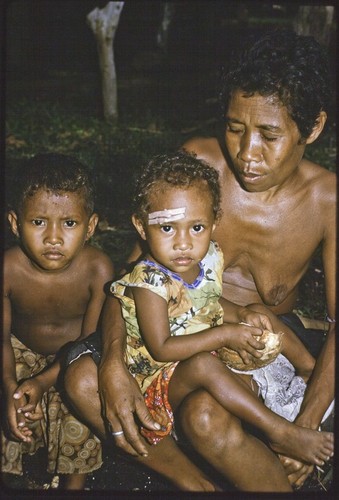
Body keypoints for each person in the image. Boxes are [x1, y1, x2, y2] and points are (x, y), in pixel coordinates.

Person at [64, 29, 336, 491]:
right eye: (234, 128)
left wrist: (305, 427)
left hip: (248, 355)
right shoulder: (197, 165)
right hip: (162, 330)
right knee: (82, 382)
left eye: (269, 135)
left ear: (312, 129)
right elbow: (133, 280)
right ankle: (194, 485)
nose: (247, 154)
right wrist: (112, 363)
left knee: (206, 417)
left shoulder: (327, 200)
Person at [2, 153, 114, 489]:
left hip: (75, 358)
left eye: (69, 223)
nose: (53, 237)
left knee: (84, 391)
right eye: (38, 222)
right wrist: (10, 385)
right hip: (19, 351)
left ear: (90, 226)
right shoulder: (8, 268)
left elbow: (91, 343)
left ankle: (72, 485)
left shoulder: (98, 270)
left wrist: (43, 382)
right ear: (14, 223)